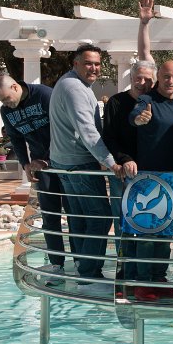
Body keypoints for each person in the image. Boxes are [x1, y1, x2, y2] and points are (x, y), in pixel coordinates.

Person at [49, 44, 122, 298]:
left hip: (65, 162)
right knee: (100, 217)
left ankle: (83, 270)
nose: (94, 68)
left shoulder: (71, 83)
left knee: (80, 219)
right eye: (88, 63)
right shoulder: (74, 88)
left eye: (97, 64)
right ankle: (89, 276)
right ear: (76, 63)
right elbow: (87, 130)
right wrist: (111, 162)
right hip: (78, 164)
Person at [0, 74, 69, 282]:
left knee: (74, 214)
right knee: (50, 217)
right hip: (40, 167)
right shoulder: (7, 111)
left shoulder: (44, 95)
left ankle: (82, 263)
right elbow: (16, 139)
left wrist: (48, 159)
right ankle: (57, 265)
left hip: (65, 161)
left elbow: (62, 128)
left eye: (7, 98)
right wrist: (25, 163)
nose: (6, 104)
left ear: (15, 87)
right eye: (1, 101)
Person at [129, 60, 173, 302]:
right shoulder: (147, 100)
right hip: (149, 178)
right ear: (158, 77)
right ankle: (143, 283)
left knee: (167, 233)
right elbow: (135, 115)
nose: (170, 81)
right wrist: (139, 119)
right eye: (166, 76)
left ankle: (159, 279)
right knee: (148, 233)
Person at [102, 60, 156, 291]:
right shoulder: (116, 102)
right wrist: (123, 159)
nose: (142, 83)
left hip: (151, 174)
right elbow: (109, 137)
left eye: (148, 79)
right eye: (138, 78)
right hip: (124, 173)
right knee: (123, 223)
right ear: (131, 78)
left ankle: (146, 275)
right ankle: (124, 271)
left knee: (148, 225)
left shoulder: (156, 101)